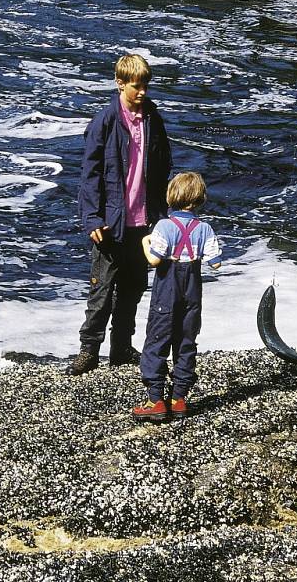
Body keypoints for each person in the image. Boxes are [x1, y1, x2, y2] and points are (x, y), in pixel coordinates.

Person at [66, 54, 172, 375]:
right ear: (120, 83)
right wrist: (92, 218)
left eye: (145, 86)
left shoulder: (153, 118)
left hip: (144, 223)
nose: (142, 92)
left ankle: (122, 347)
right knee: (101, 290)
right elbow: (90, 174)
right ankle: (88, 350)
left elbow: (164, 165)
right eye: (136, 86)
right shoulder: (106, 121)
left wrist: (164, 214)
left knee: (133, 287)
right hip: (111, 224)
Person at [132, 172, 222, 422]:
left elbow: (154, 259)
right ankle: (179, 398)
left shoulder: (164, 226)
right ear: (199, 199)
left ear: (172, 197)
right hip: (192, 289)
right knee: (186, 340)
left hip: (167, 288)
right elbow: (215, 263)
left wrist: (144, 242)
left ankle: (155, 399)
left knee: (157, 340)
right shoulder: (204, 228)